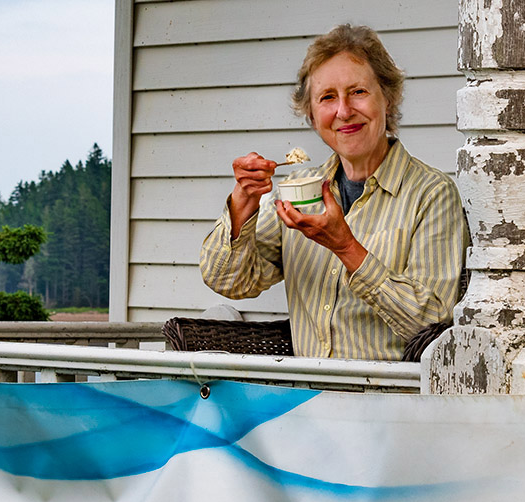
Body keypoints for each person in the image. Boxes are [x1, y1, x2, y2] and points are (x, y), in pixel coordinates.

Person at [199, 24, 468, 360]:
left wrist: (347, 248)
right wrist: (244, 201)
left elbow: (433, 325)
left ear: (389, 98)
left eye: (358, 92)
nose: (343, 111)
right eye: (327, 97)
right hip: (305, 402)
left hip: (391, 403)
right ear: (312, 116)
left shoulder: (432, 194)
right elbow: (229, 282)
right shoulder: (297, 191)